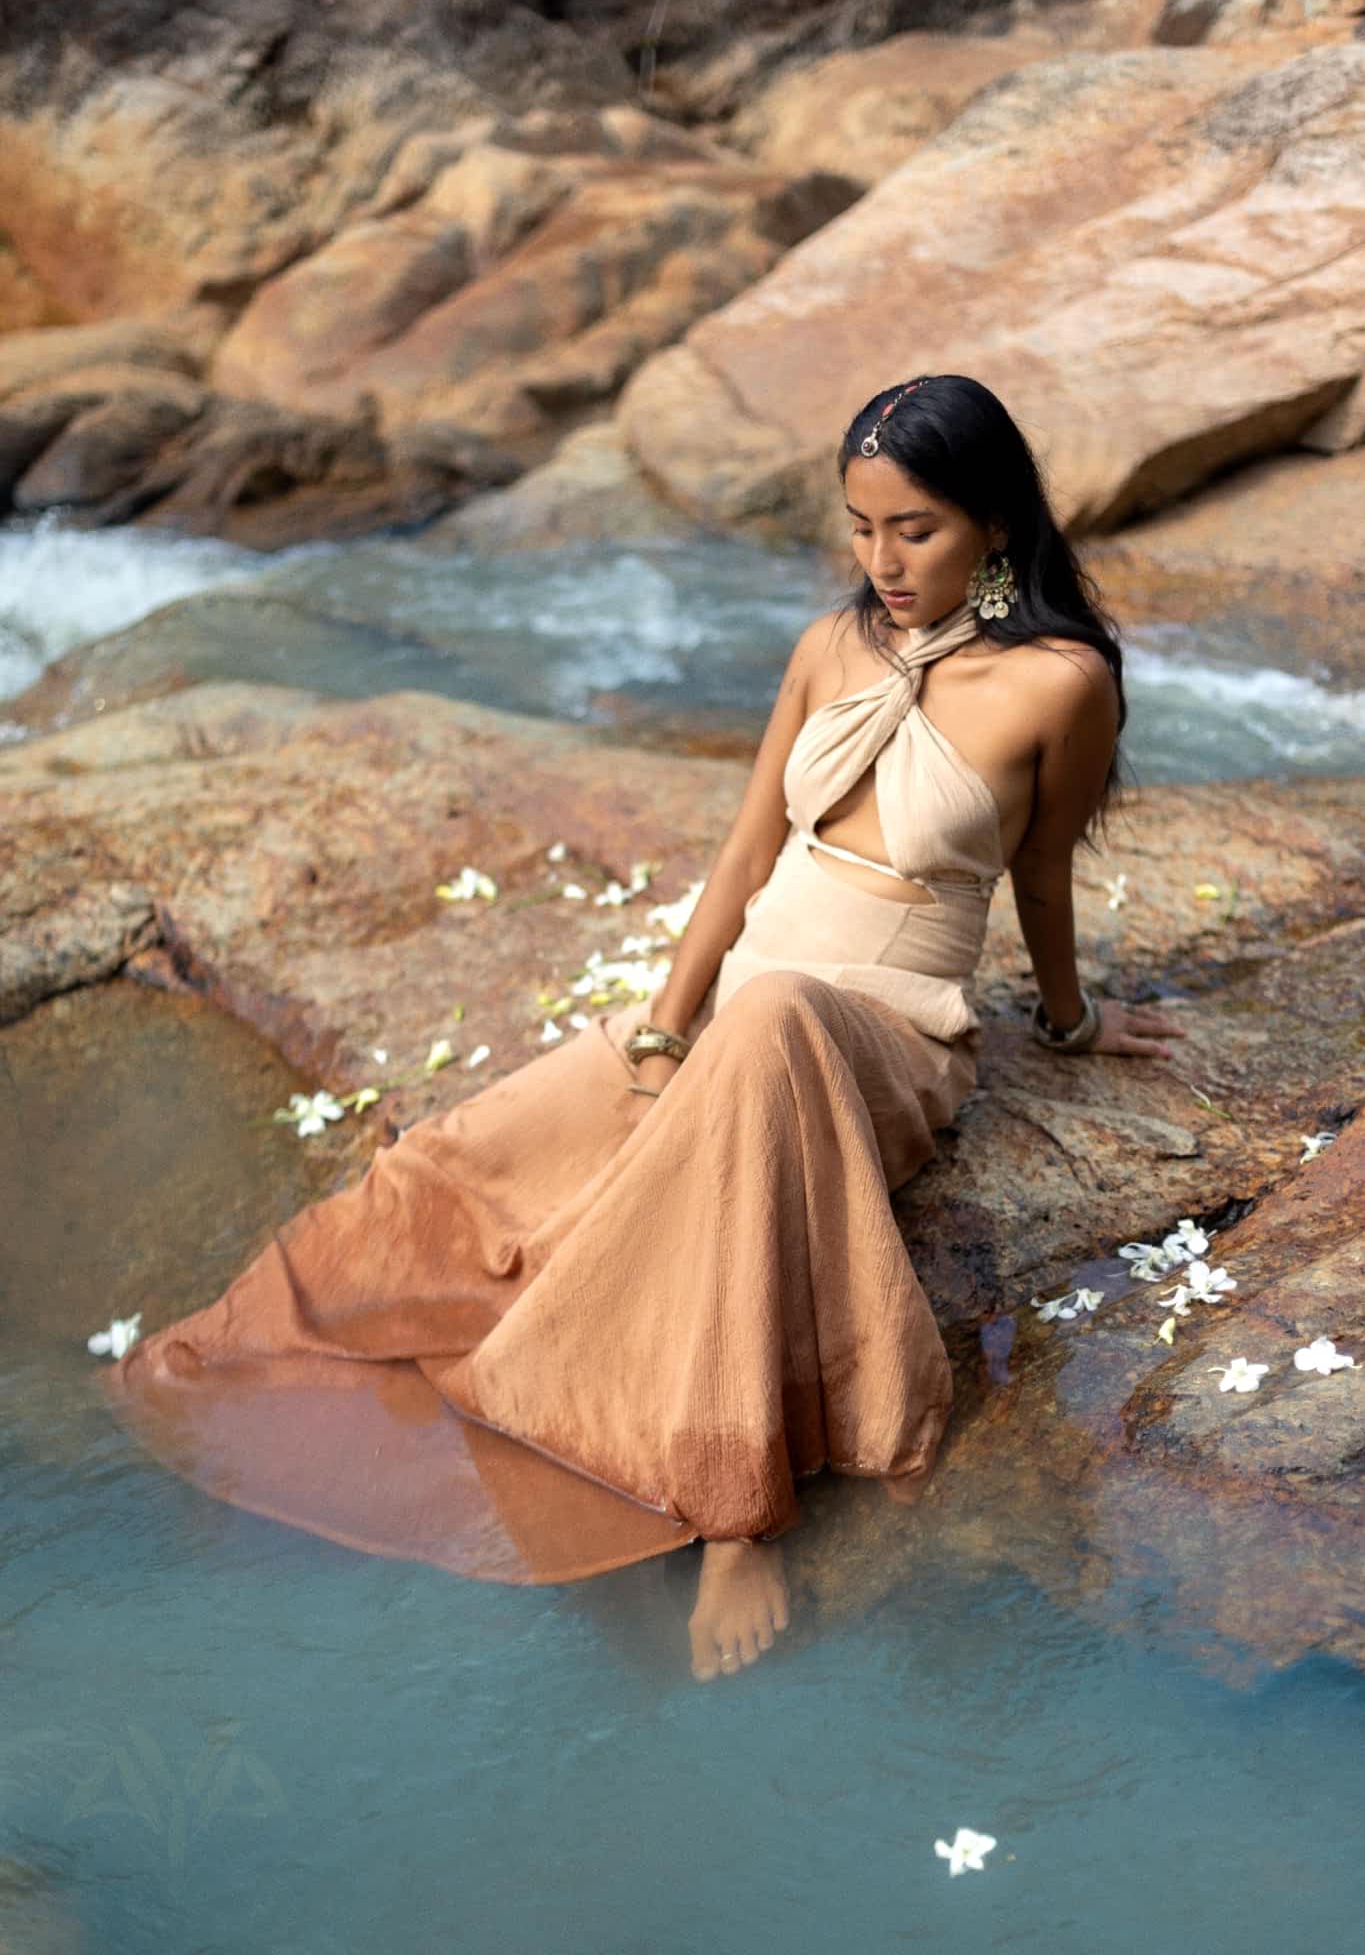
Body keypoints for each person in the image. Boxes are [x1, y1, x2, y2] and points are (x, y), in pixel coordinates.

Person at [99, 374, 1184, 1684]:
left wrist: (1068, 1027)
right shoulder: (827, 649)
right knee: (476, 1171)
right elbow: (741, 857)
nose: (880, 562)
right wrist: (663, 1030)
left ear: (995, 525)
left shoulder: (1062, 684)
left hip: (885, 1030)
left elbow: (1042, 877)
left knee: (775, 1022)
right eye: (860, 527)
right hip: (745, 1002)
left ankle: (734, 1509)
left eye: (915, 531)